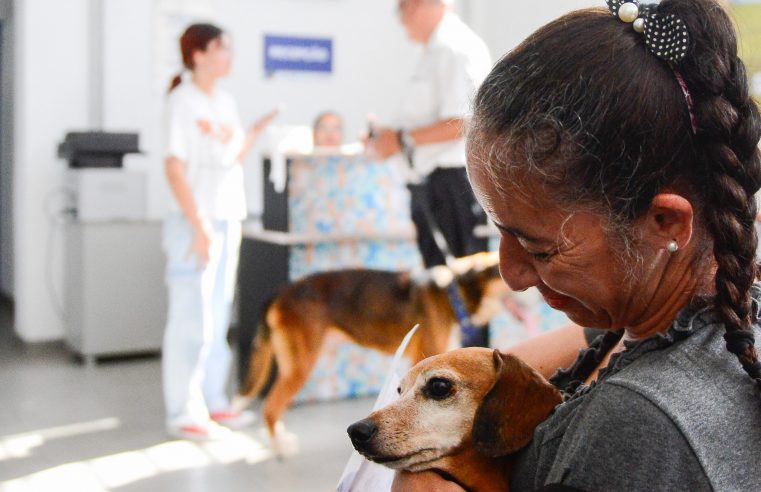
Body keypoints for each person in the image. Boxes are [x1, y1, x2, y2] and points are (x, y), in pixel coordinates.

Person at [393, 0, 761, 490]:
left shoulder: (637, 423)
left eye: (540, 248)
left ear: (665, 222)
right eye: (500, 230)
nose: (511, 274)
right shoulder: (696, 321)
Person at [162, 23, 277, 440]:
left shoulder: (225, 101)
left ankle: (214, 401)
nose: (229, 56)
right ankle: (183, 409)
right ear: (198, 55)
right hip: (196, 222)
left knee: (217, 314)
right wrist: (198, 226)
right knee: (191, 319)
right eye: (221, 49)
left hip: (228, 217)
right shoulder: (181, 101)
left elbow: (231, 159)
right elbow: (174, 167)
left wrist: (254, 133)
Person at [370, 0, 492, 269]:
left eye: (401, 9)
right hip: (433, 184)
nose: (401, 19)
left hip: (453, 185)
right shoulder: (435, 50)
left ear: (415, 5)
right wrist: (389, 136)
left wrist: (402, 139)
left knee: (460, 281)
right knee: (438, 281)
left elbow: (465, 122)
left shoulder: (454, 46)